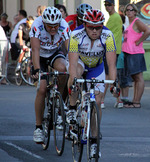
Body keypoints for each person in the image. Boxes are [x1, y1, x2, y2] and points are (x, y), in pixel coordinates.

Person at [66, 9, 118, 157]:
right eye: (91, 27)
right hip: (81, 64)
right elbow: (73, 63)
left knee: (98, 100)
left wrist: (114, 84)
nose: (95, 31)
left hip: (97, 67)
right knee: (75, 75)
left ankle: (94, 140)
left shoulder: (108, 36)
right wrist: (75, 80)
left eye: (98, 27)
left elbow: (111, 65)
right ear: (84, 25)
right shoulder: (76, 35)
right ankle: (71, 107)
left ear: (102, 26)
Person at [29, 6, 70, 143]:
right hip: (39, 56)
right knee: (42, 88)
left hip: (54, 53)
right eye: (50, 26)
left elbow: (69, 48)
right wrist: (36, 69)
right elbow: (35, 50)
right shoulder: (37, 25)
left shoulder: (64, 26)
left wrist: (73, 65)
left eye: (55, 26)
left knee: (64, 70)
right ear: (43, 22)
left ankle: (59, 106)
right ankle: (38, 128)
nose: (53, 29)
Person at [122, 3, 150, 108]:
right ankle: (134, 101)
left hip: (136, 53)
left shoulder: (137, 21)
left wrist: (139, 41)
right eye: (127, 10)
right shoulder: (127, 23)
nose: (129, 11)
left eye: (131, 10)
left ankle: (137, 102)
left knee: (138, 77)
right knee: (135, 77)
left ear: (135, 12)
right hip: (129, 53)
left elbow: (147, 31)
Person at [101, 0, 123, 109]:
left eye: (109, 5)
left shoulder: (114, 18)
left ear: (114, 5)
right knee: (111, 75)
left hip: (110, 49)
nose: (107, 7)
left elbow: (103, 32)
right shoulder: (115, 17)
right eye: (105, 5)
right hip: (115, 49)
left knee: (107, 75)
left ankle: (101, 101)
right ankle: (119, 101)